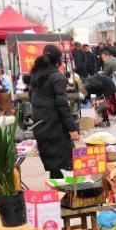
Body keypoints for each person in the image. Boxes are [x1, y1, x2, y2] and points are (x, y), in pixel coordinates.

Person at [30, 44, 79, 179]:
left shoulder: (36, 75)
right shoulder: (57, 77)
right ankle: (67, 195)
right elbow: (62, 106)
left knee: (53, 163)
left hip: (39, 123)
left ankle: (58, 193)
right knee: (66, 160)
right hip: (54, 125)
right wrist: (72, 129)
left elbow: (31, 98)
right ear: (58, 60)